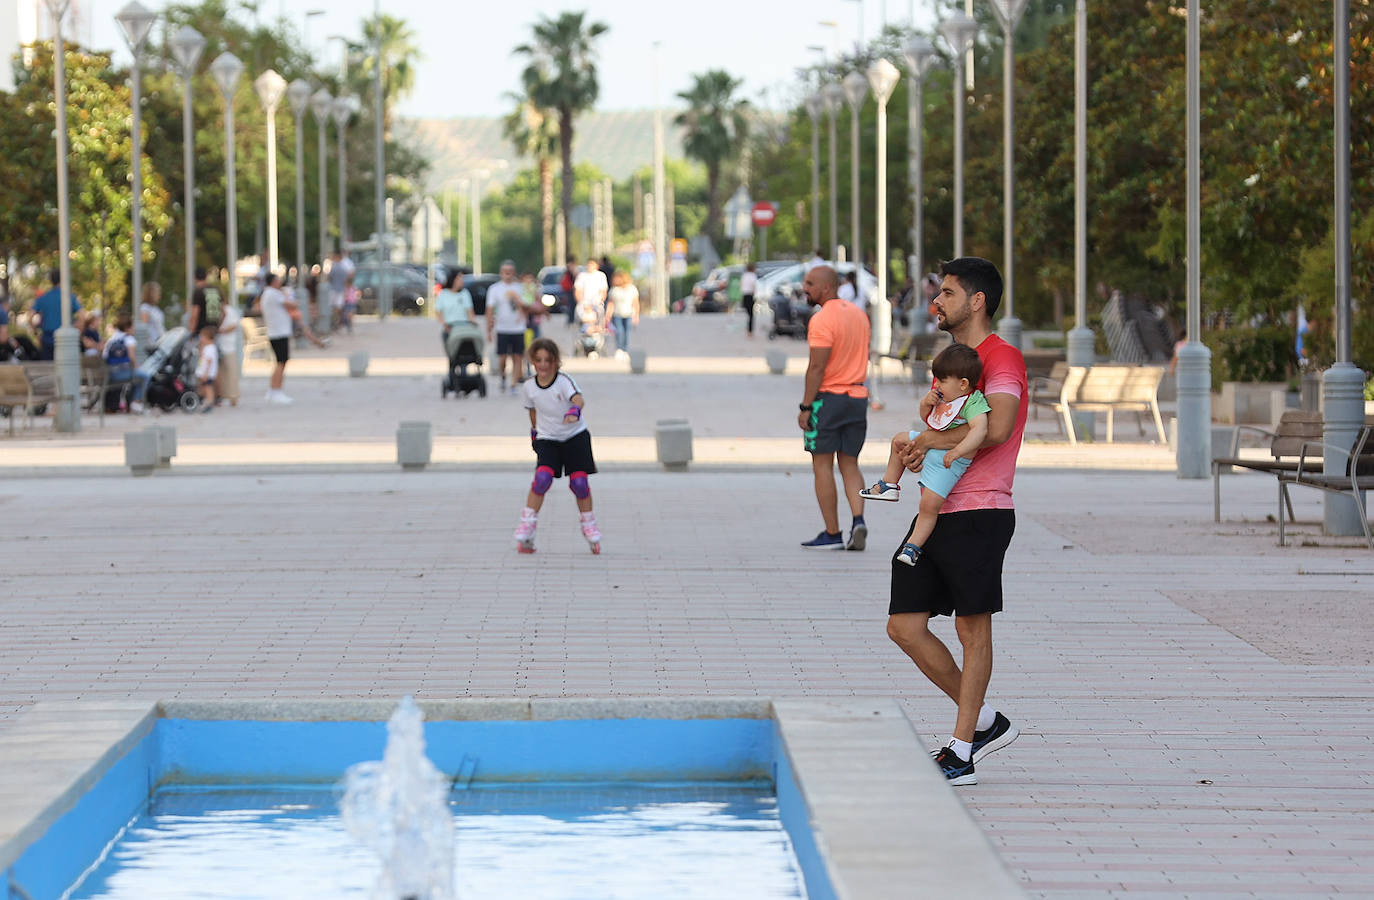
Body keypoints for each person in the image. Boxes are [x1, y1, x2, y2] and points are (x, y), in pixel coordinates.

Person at [885, 256, 1028, 787]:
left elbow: (998, 428)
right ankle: (987, 721)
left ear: (976, 301)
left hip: (982, 510)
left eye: (946, 293)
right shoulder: (955, 359)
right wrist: (924, 449)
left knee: (972, 628)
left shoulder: (1003, 359)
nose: (935, 302)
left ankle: (962, 749)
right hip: (938, 507)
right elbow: (948, 426)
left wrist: (926, 442)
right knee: (903, 625)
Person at [860, 343, 991, 566]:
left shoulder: (973, 402)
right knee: (899, 439)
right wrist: (925, 404)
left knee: (929, 506)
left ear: (963, 384)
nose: (937, 385)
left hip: (949, 461)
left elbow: (980, 430)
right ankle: (889, 484)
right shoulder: (945, 397)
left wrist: (957, 451)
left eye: (942, 380)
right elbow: (928, 420)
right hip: (932, 446)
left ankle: (913, 547)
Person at [796, 265, 870, 551]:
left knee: (822, 465)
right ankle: (859, 521)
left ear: (827, 288)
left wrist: (805, 406)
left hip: (828, 400)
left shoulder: (822, 319)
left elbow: (817, 367)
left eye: (810, 283)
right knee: (850, 464)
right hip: (858, 397)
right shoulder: (859, 315)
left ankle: (832, 532)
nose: (805, 288)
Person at [513, 337, 602, 555]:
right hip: (548, 438)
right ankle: (528, 525)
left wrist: (574, 411)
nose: (543, 365)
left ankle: (589, 525)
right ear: (533, 362)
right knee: (542, 479)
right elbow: (532, 411)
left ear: (556, 362)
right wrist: (534, 433)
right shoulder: (529, 387)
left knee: (579, 483)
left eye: (548, 360)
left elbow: (579, 398)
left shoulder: (563, 381)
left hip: (575, 436)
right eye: (539, 360)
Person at [252, 272, 323, 405]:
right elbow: (292, 304)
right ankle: (276, 390)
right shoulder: (273, 294)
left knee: (280, 362)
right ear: (273, 282)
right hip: (279, 332)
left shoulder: (268, 294)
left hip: (277, 332)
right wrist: (290, 296)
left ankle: (273, 389)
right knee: (281, 362)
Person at [485, 260, 532, 394]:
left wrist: (516, 298)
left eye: (510, 272)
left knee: (518, 357)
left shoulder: (520, 287)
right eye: (505, 272)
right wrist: (488, 329)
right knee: (502, 358)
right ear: (501, 273)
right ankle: (503, 377)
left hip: (518, 328)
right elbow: (489, 310)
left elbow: (528, 305)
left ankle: (513, 384)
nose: (508, 274)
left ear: (514, 273)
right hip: (502, 328)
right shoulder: (495, 289)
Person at [30, 269, 81, 360]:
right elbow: (83, 316)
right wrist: (78, 330)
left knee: (48, 369)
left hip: (48, 338)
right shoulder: (69, 297)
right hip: (66, 339)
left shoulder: (43, 298)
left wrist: (36, 334)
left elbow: (30, 316)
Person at [103, 314, 147, 413]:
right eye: (132, 326)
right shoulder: (129, 339)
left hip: (108, 373)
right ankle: (135, 401)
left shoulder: (112, 339)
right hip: (121, 373)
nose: (134, 329)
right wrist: (136, 366)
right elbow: (131, 357)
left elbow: (104, 356)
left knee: (137, 376)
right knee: (144, 376)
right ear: (127, 328)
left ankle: (129, 403)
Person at [434, 270, 475, 350]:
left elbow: (470, 312)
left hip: (464, 328)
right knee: (452, 355)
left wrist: (473, 324)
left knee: (465, 354)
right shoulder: (443, 294)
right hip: (449, 328)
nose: (461, 281)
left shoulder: (465, 293)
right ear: (453, 279)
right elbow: (438, 312)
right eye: (459, 278)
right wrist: (445, 325)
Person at [215, 290, 243, 407]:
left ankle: (233, 396)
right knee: (220, 373)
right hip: (219, 345)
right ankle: (220, 395)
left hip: (228, 345)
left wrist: (222, 330)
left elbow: (234, 325)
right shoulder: (218, 312)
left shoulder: (229, 311)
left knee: (231, 372)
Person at [604, 270, 640, 358]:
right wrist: (607, 315)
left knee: (627, 332)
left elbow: (635, 303)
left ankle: (625, 350)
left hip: (628, 313)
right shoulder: (614, 290)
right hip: (617, 314)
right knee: (619, 331)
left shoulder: (632, 289)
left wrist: (636, 315)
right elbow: (611, 303)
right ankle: (619, 349)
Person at [574, 257, 608, 329]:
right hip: (584, 304)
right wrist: (582, 302)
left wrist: (599, 301)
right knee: (584, 321)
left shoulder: (601, 276)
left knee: (597, 322)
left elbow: (603, 291)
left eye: (592, 264)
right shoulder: (582, 275)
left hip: (596, 303)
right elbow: (578, 290)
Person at [194, 325, 218, 411]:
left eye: (202, 337)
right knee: (204, 387)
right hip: (204, 372)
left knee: (208, 388)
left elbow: (209, 361)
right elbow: (202, 357)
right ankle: (206, 401)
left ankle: (210, 403)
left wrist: (206, 373)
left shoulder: (210, 348)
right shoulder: (207, 347)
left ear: (207, 337)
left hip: (208, 373)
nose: (201, 339)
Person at [138, 282, 166, 350]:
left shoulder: (156, 308)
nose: (159, 295)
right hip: (153, 344)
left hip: (161, 342)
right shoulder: (145, 308)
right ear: (150, 294)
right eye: (157, 293)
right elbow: (145, 327)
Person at [740, 263, 759, 338]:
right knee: (751, 315)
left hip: (744, 295)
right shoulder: (753, 276)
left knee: (748, 314)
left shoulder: (744, 275)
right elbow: (754, 286)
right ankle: (750, 331)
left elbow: (741, 285)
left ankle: (748, 329)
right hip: (750, 295)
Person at [560, 256, 578, 326]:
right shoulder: (571, 268)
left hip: (568, 289)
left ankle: (571, 319)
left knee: (571, 305)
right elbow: (574, 276)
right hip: (570, 289)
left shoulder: (567, 268)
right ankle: (571, 320)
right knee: (571, 305)